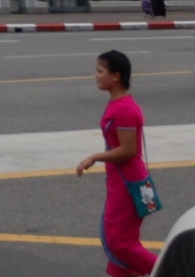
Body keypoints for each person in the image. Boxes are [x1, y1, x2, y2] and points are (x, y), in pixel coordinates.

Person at [76, 50, 159, 277]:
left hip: (128, 183)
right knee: (115, 240)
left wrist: (94, 157)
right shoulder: (118, 104)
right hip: (121, 181)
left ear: (116, 76)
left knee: (120, 242)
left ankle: (172, 271)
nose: (95, 75)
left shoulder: (123, 109)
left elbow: (128, 150)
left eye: (100, 71)